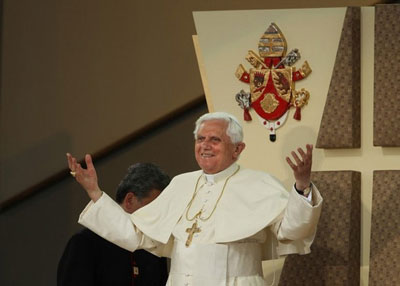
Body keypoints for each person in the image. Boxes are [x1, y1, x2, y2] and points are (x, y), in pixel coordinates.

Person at [67, 111, 323, 286]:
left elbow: (293, 230)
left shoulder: (259, 183)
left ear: (238, 149)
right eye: (200, 139)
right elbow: (137, 234)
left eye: (215, 139)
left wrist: (301, 185)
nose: (205, 145)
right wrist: (95, 192)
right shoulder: (181, 184)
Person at [57, 163, 170, 286]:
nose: (159, 216)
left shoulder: (154, 247)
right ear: (130, 200)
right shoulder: (85, 242)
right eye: (154, 208)